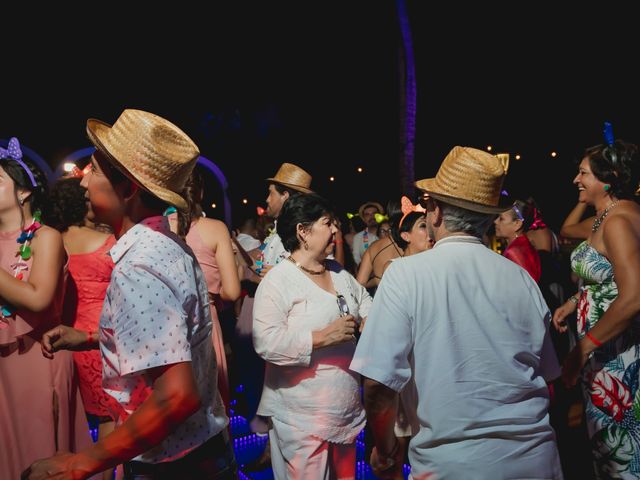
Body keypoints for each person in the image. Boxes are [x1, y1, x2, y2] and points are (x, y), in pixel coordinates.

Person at [23, 109, 234, 479]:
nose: (84, 183)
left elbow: (176, 395)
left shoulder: (139, 266)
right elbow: (169, 339)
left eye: (95, 170)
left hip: (174, 465)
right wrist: (88, 338)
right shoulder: (166, 242)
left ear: (128, 189)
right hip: (200, 450)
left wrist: (81, 462)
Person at [351, 146, 562, 479]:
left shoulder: (406, 274)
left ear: (435, 212)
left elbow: (378, 383)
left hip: (452, 465)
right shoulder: (521, 279)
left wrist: (387, 448)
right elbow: (548, 376)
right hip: (535, 460)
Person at [253, 193, 372, 479]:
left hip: (344, 411)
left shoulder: (339, 272)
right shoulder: (278, 281)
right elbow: (266, 342)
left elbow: (364, 300)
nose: (335, 231)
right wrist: (321, 337)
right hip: (301, 416)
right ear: (303, 231)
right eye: (327, 223)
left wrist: (369, 319)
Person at [0, 138, 91, 480]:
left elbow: (38, 297)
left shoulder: (45, 237)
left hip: (38, 360)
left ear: (23, 193)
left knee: (37, 456)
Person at [552, 139, 640, 478]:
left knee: (621, 455)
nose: (576, 180)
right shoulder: (608, 216)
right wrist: (576, 300)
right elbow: (611, 278)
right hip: (606, 352)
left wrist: (583, 349)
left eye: (583, 173)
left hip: (617, 356)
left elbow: (633, 296)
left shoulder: (618, 221)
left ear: (608, 178)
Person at [46, 176, 118, 480]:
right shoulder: (106, 242)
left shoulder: (50, 243)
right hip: (100, 337)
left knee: (80, 420)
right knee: (112, 419)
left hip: (67, 336)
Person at [167, 168, 241, 413]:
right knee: (211, 405)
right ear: (199, 192)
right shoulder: (215, 228)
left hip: (165, 325)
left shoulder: (156, 228)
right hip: (205, 321)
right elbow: (232, 292)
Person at [494, 199, 541, 282]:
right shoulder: (521, 245)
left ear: (517, 224)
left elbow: (525, 286)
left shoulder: (515, 251)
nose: (495, 221)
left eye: (501, 218)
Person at [351, 201, 384, 267]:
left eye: (374, 213)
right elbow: (356, 258)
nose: (371, 217)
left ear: (379, 216)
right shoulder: (358, 237)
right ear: (364, 219)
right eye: (367, 214)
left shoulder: (388, 233)